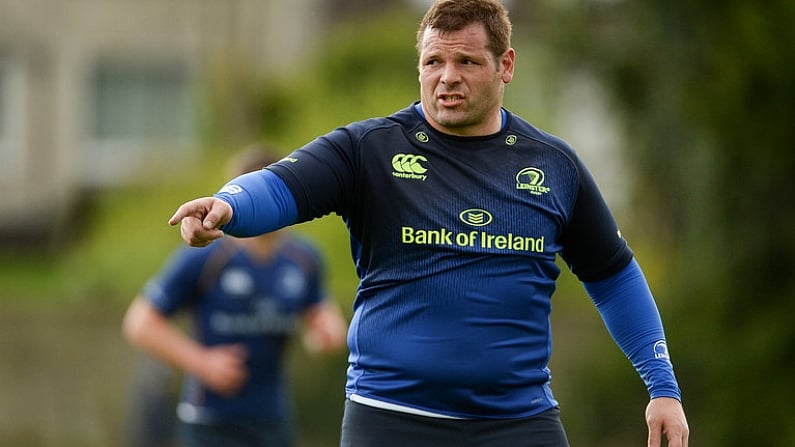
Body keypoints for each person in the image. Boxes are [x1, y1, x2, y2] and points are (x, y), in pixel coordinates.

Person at [166, 1, 689, 446]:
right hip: (392, 418)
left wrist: (662, 386)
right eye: (433, 61)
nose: (447, 77)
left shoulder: (554, 166)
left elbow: (614, 276)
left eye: (466, 61)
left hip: (518, 421)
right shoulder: (369, 150)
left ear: (505, 65)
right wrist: (228, 207)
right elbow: (282, 185)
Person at [123, 145, 348, 447]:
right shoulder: (205, 258)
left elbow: (322, 319)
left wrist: (328, 335)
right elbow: (139, 323)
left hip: (273, 417)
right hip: (211, 419)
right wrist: (202, 363)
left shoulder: (304, 258)